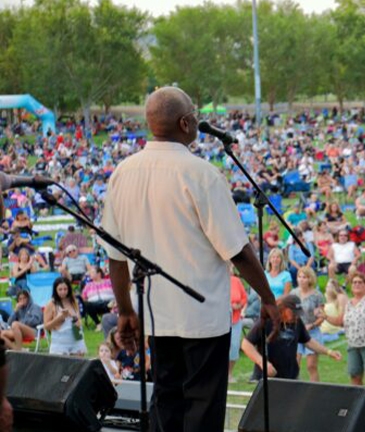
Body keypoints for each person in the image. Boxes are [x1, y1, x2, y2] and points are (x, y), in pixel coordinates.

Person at [101, 86, 280, 432]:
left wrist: (125, 310)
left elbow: (115, 256)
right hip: (202, 319)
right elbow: (238, 251)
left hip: (156, 316)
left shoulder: (122, 173)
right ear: (185, 123)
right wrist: (268, 298)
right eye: (195, 114)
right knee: (202, 412)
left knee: (166, 405)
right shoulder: (201, 174)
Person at [242, 294, 340, 380]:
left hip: (291, 375)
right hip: (268, 377)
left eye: (298, 313)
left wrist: (328, 352)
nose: (296, 316)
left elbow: (308, 341)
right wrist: (262, 362)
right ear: (283, 309)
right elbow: (246, 344)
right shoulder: (267, 321)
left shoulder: (297, 322)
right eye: (293, 313)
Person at [324, 273, 365, 401]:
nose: (357, 284)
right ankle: (358, 407)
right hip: (353, 346)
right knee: (354, 376)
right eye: (354, 282)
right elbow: (339, 321)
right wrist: (324, 316)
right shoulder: (349, 303)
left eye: (360, 282)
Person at [290, 267, 327, 381]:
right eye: (299, 277)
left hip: (312, 332)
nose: (301, 280)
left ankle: (314, 389)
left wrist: (312, 325)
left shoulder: (317, 295)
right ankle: (294, 388)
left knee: (311, 366)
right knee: (295, 364)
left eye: (304, 277)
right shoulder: (294, 293)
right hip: (297, 332)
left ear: (310, 279)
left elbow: (322, 316)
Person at [43, 277, 87, 356]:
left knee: (78, 366)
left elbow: (79, 319)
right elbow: (46, 326)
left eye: (65, 289)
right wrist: (59, 318)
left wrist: (77, 321)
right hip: (60, 342)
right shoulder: (51, 304)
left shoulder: (73, 301)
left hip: (76, 337)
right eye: (60, 289)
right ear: (55, 290)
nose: (63, 292)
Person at [228, 273, 247, 383]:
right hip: (221, 319)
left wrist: (239, 306)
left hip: (236, 319)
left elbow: (244, 297)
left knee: (234, 346)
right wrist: (230, 305)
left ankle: (230, 373)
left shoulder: (236, 281)